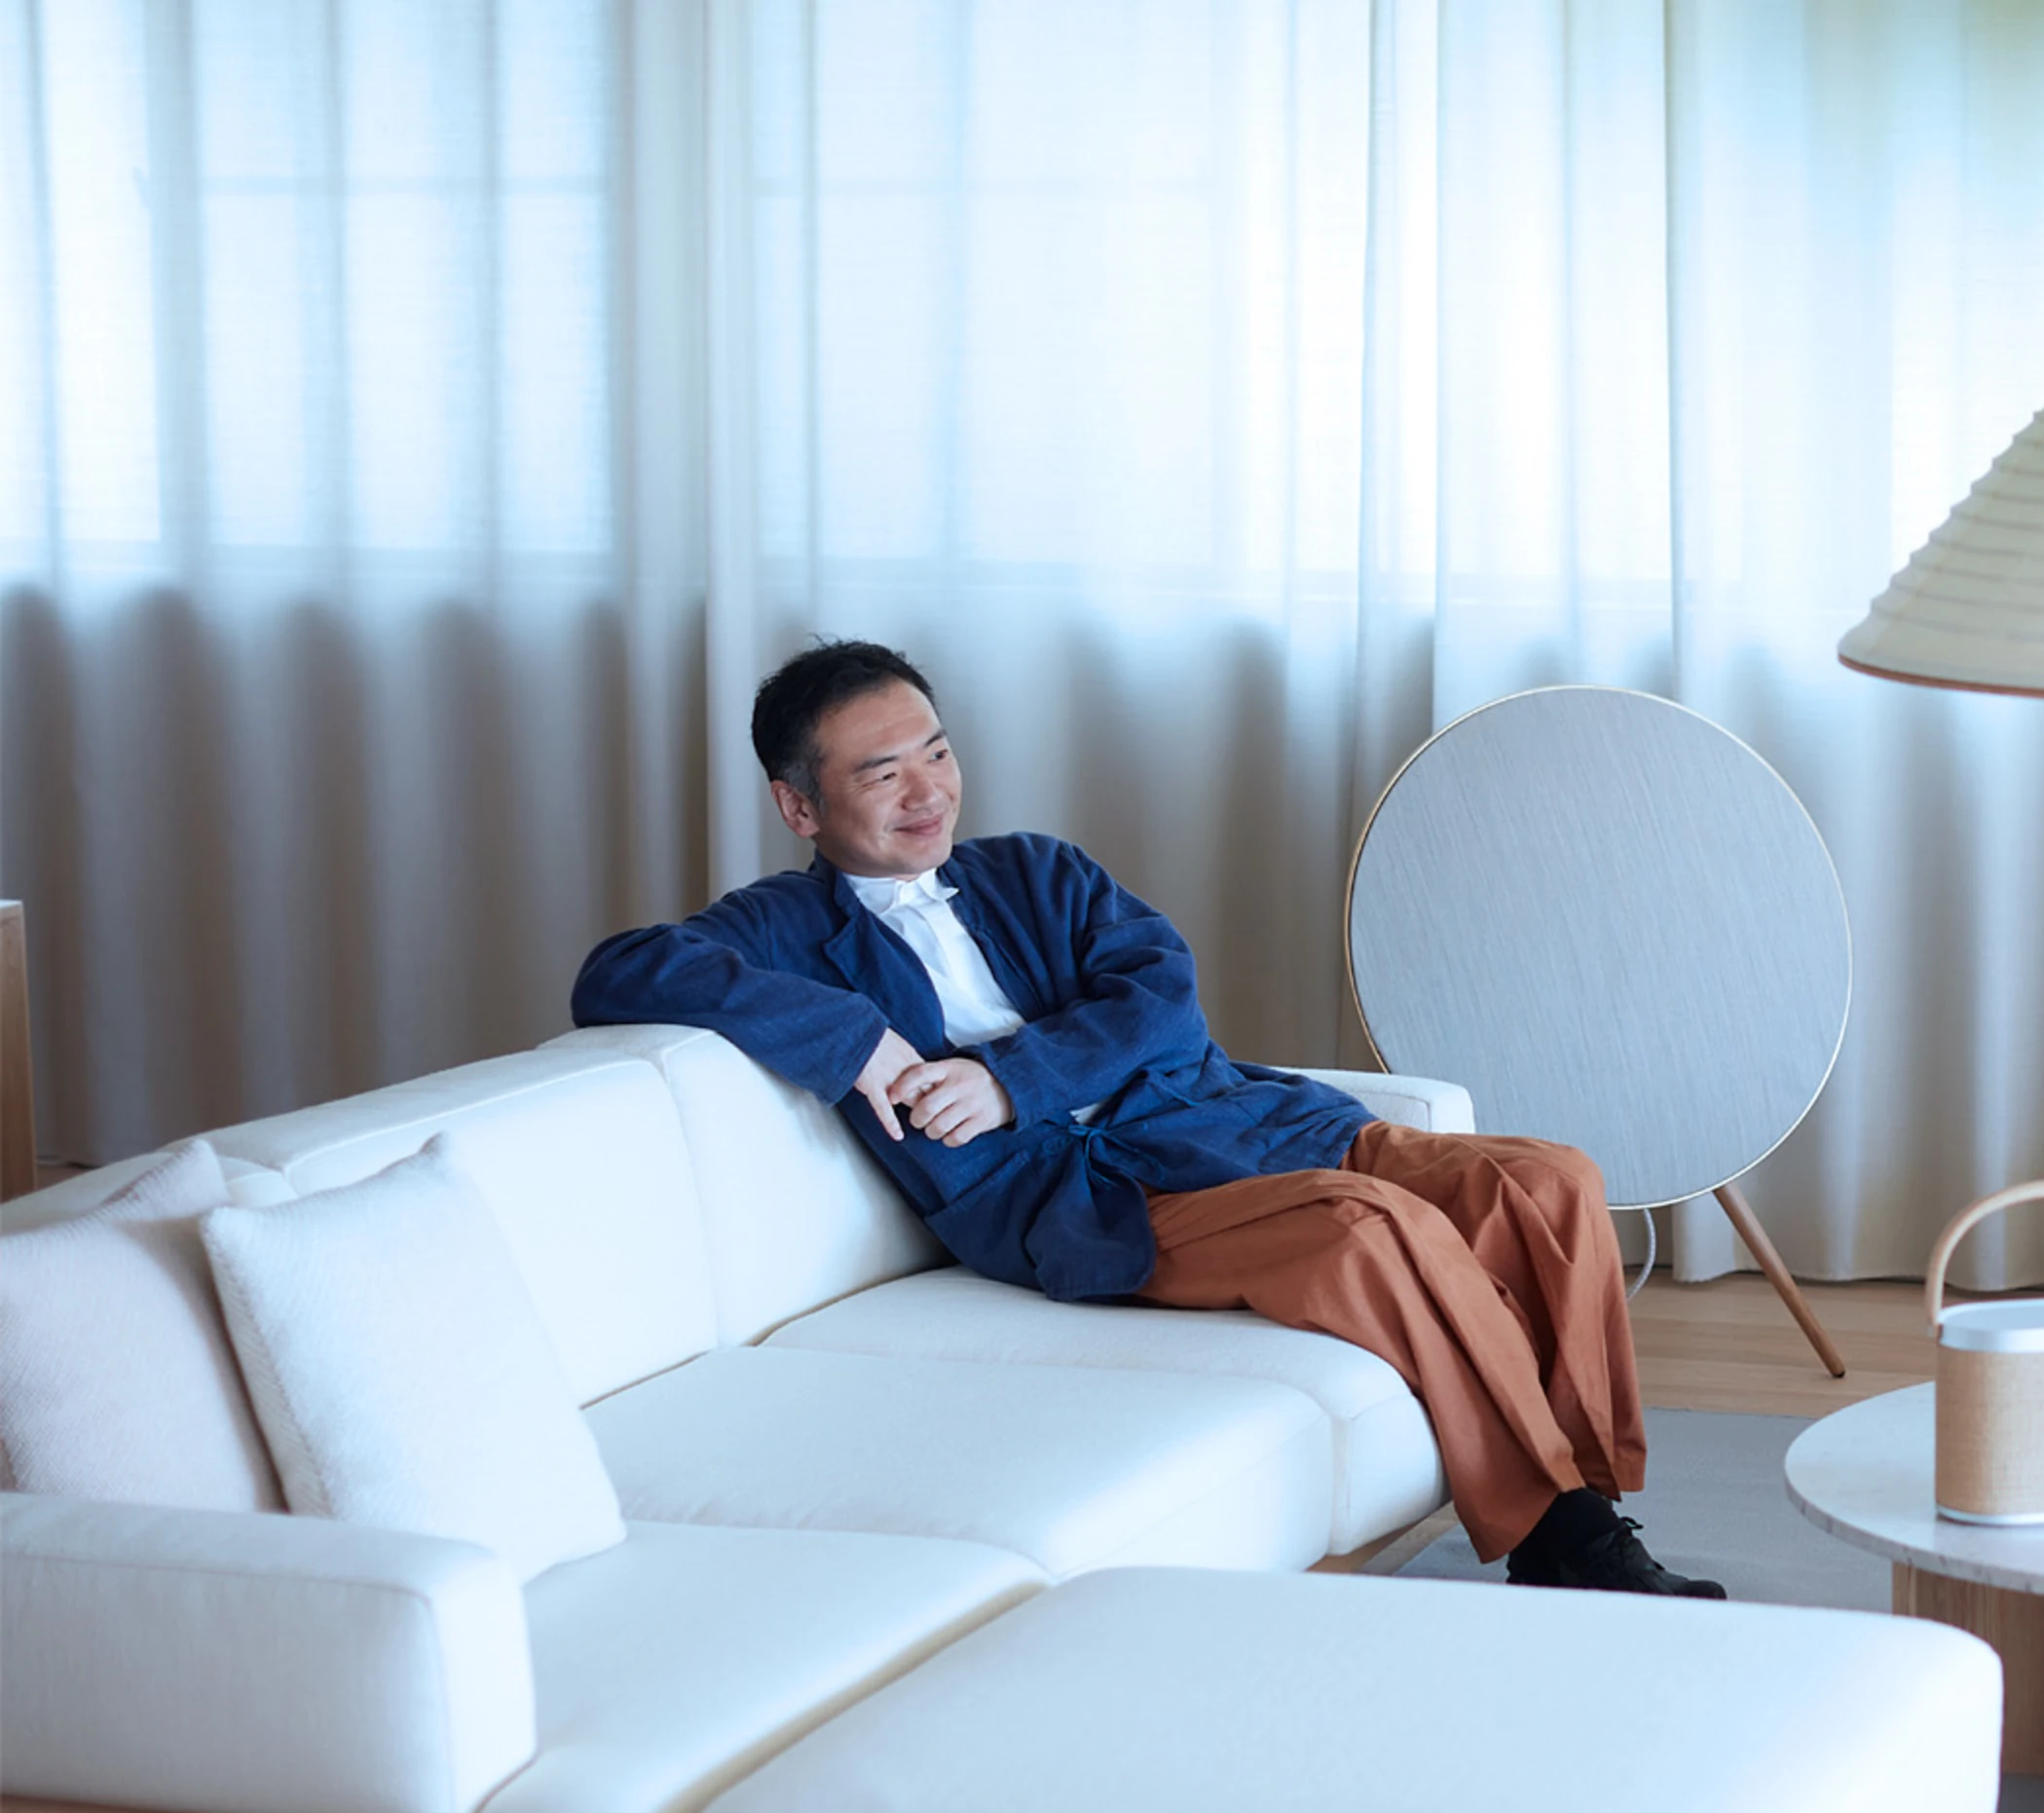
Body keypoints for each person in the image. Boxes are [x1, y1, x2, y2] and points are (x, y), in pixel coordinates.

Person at [572, 640, 1722, 1598]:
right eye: (882, 775)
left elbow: (1160, 991)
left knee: (1546, 1177)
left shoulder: (1036, 871)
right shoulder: (781, 928)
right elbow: (623, 971)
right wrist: (860, 1042)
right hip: (1096, 1197)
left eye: (938, 752)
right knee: (1375, 1229)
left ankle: (1592, 1504)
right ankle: (1563, 1537)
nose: (928, 792)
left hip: (1234, 1120)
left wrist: (1010, 1075)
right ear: (799, 805)